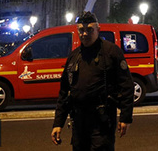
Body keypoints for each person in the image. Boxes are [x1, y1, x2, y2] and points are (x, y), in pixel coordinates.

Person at [51, 12, 134, 149]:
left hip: (101, 122)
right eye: (81, 30)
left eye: (89, 29)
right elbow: (65, 92)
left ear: (98, 30)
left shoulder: (111, 52)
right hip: (79, 122)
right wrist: (58, 123)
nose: (85, 34)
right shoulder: (74, 56)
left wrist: (125, 117)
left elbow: (126, 85)